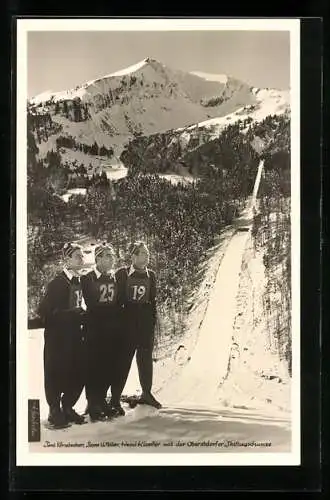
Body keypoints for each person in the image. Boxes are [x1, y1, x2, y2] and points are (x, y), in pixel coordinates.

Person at [38, 242, 86, 428]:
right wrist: (70, 314)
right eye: (77, 256)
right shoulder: (57, 283)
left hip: (74, 335)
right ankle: (54, 411)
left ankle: (68, 407)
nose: (82, 259)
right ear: (67, 259)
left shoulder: (77, 281)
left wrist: (80, 314)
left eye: (82, 256)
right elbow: (44, 312)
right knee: (55, 373)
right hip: (57, 338)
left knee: (78, 371)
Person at [114, 241, 162, 411]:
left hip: (145, 323)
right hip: (127, 323)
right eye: (142, 252)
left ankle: (147, 393)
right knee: (123, 361)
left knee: (145, 359)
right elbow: (116, 301)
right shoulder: (122, 274)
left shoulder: (151, 275)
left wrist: (152, 322)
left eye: (147, 252)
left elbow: (153, 301)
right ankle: (114, 398)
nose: (147, 255)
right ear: (133, 256)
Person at [81, 242, 122, 421]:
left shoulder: (114, 277)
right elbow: (92, 304)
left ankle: (102, 400)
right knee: (94, 367)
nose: (111, 259)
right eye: (107, 256)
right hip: (95, 330)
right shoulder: (87, 278)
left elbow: (117, 303)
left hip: (111, 330)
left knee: (108, 366)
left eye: (112, 256)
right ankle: (92, 404)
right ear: (97, 258)